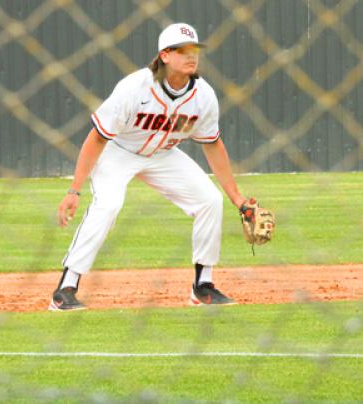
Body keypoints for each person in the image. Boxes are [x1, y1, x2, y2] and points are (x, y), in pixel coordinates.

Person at [49, 22, 251, 311]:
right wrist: (74, 189)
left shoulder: (203, 96)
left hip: (164, 154)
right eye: (182, 51)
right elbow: (96, 138)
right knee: (108, 206)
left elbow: (213, 144)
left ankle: (203, 286)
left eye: (194, 49)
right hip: (118, 151)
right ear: (165, 56)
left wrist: (238, 199)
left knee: (209, 200)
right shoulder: (134, 88)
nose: (191, 56)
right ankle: (65, 289)